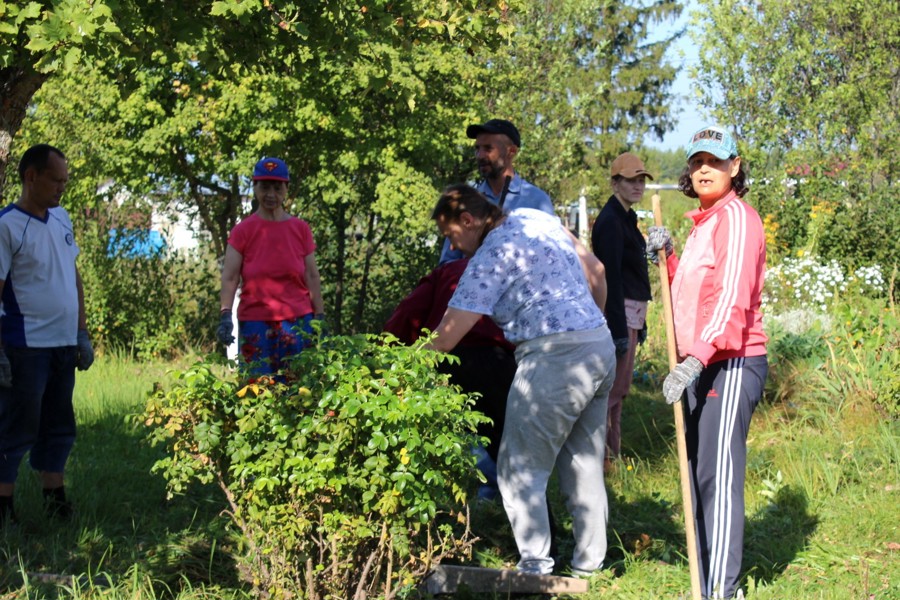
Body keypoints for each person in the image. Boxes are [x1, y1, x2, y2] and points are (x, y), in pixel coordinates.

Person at [427, 184, 615, 577]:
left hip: (554, 357)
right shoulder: (538, 219)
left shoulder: (490, 257)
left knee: (518, 468)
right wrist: (588, 324)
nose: (454, 247)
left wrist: (399, 371)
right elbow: (596, 271)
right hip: (599, 344)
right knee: (583, 463)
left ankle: (535, 566)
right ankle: (588, 566)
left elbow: (446, 337)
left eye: (451, 236)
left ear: (468, 220)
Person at [647, 125, 768, 600]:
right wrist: (669, 257)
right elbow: (694, 295)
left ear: (734, 167)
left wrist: (695, 360)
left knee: (716, 476)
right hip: (702, 362)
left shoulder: (737, 218)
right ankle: (706, 579)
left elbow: (732, 300)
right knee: (699, 471)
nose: (704, 169)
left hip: (732, 362)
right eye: (697, 161)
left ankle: (722, 589)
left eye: (714, 161)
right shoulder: (705, 222)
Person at [0, 144, 94, 524]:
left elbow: (73, 277)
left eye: (65, 181)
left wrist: (82, 333)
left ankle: (55, 499)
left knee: (58, 425)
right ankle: (4, 508)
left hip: (63, 345)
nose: (62, 188)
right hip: (25, 347)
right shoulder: (6, 225)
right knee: (16, 426)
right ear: (31, 177)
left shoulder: (62, 219)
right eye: (56, 180)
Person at [383, 258, 516, 499]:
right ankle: (510, 507)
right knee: (506, 440)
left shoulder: (448, 272)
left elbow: (408, 313)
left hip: (451, 357)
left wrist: (387, 353)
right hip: (503, 360)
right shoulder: (504, 266)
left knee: (463, 435)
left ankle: (479, 500)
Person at [218, 157, 325, 376]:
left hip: (297, 322)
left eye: (277, 188)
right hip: (255, 323)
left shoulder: (300, 229)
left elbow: (312, 275)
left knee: (299, 391)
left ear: (286, 189)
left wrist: (320, 316)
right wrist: (225, 315)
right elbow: (230, 278)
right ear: (255, 187)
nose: (271, 195)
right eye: (265, 187)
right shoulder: (243, 231)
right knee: (255, 392)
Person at [590, 152, 654, 469]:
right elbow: (611, 280)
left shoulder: (627, 218)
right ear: (615, 182)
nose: (638, 185)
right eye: (631, 180)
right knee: (612, 390)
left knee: (621, 389)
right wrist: (618, 331)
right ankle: (602, 459)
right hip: (619, 314)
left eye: (641, 179)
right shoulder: (611, 222)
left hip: (632, 314)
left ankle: (612, 455)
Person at [438, 119, 555, 264]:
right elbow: (446, 264)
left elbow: (551, 258)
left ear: (511, 151)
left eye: (488, 148)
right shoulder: (464, 202)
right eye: (477, 149)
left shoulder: (537, 201)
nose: (480, 155)